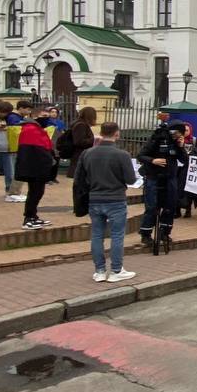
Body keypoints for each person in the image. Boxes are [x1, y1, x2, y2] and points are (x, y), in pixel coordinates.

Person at [74, 121, 138, 283]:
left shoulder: (87, 153)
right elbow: (130, 179)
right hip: (115, 198)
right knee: (117, 235)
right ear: (117, 134)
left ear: (101, 133)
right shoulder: (122, 155)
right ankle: (116, 270)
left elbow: (79, 178)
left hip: (94, 198)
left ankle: (100, 270)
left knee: (96, 235)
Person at [137, 119, 191, 245]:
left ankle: (165, 232)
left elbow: (184, 160)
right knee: (151, 207)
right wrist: (152, 161)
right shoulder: (157, 139)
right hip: (153, 177)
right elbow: (141, 155)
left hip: (170, 178)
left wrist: (181, 147)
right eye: (176, 133)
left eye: (180, 134)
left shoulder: (177, 143)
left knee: (170, 206)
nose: (177, 136)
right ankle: (145, 234)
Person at [14, 102, 56, 230]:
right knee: (35, 192)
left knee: (37, 192)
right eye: (44, 116)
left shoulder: (36, 128)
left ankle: (33, 216)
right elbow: (36, 150)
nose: (47, 118)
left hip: (37, 166)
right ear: (36, 116)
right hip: (34, 167)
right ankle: (29, 218)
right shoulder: (31, 129)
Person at [66, 106, 98, 178]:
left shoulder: (80, 123)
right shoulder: (81, 125)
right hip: (79, 154)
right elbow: (79, 141)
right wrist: (94, 139)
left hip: (79, 154)